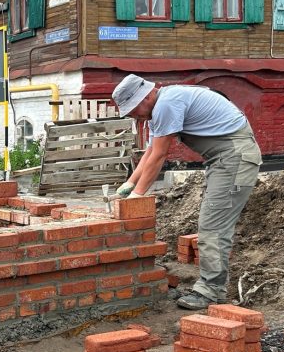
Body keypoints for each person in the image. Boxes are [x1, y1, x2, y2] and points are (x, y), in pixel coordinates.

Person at [111, 74, 262, 310]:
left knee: (213, 226)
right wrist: (129, 184)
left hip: (235, 158)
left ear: (147, 96)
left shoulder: (166, 104)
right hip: (224, 159)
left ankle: (211, 291)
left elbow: (161, 155)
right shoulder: (159, 106)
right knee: (212, 223)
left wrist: (137, 196)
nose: (134, 115)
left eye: (133, 109)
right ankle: (212, 287)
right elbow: (151, 152)